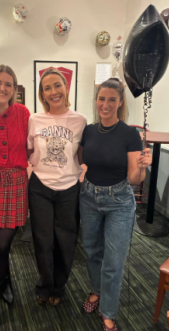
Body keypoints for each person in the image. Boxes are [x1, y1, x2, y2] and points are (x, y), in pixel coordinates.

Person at [79, 78, 152, 330]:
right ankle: (96, 290)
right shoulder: (88, 130)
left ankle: (108, 310)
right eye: (101, 99)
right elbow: (81, 161)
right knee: (91, 250)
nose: (105, 104)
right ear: (96, 101)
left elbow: (133, 178)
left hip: (119, 200)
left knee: (114, 260)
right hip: (88, 196)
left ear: (120, 102)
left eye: (112, 99)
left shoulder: (130, 134)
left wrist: (141, 169)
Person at [27, 68, 88, 306]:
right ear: (42, 95)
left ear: (66, 87)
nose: (53, 91)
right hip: (40, 186)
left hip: (69, 188)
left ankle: (59, 287)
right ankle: (44, 285)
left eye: (57, 85)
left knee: (66, 241)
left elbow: (83, 154)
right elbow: (27, 149)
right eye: (47, 88)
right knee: (43, 241)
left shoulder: (80, 120)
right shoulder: (34, 119)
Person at [0, 65, 29, 305]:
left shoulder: (23, 113)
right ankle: (4, 279)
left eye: (8, 84)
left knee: (4, 242)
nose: (3, 88)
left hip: (14, 184)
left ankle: (4, 282)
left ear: (14, 88)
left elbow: (34, 145)